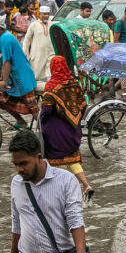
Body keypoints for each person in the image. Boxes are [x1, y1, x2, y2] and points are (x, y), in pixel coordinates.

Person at [40, 56, 93, 199]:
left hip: (55, 134)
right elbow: (83, 106)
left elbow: (46, 111)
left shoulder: (51, 86)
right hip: (73, 132)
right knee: (73, 160)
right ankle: (86, 185)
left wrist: (41, 118)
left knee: (53, 164)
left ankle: (56, 193)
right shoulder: (74, 84)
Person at [0, 14, 38, 129]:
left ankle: (46, 133)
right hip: (14, 77)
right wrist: (1, 78)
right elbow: (2, 61)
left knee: (33, 107)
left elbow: (7, 62)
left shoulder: (6, 38)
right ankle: (21, 122)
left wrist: (4, 81)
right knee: (1, 97)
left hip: (23, 77)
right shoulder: (1, 39)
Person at [22, 6, 55, 89]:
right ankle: (34, 93)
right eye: (44, 14)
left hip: (51, 53)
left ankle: (49, 92)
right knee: (36, 75)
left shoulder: (52, 24)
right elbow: (27, 39)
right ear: (39, 14)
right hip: (37, 55)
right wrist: (25, 53)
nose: (46, 16)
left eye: (47, 14)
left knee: (50, 74)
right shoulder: (34, 25)